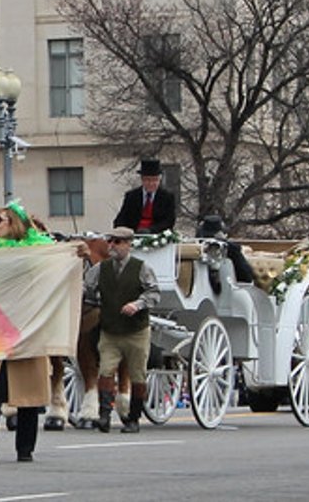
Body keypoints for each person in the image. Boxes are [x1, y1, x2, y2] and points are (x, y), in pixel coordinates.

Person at [0, 201, 56, 463]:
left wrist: (78, 252)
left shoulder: (40, 251)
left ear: (13, 224)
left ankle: (25, 448)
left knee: (28, 388)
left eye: (0, 220)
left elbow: (57, 267)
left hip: (29, 324)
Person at [85, 227, 158, 433]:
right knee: (106, 371)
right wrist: (89, 301)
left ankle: (134, 418)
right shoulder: (101, 269)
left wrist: (138, 304)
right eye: (110, 241)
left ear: (128, 244)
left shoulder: (141, 268)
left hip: (136, 331)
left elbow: (154, 292)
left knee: (137, 375)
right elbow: (88, 288)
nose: (112, 246)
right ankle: (104, 415)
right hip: (110, 330)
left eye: (117, 242)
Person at [112, 159, 176, 235]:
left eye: (155, 180)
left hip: (157, 235)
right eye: (148, 180)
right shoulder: (131, 196)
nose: (151, 183)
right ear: (142, 179)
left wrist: (150, 230)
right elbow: (121, 218)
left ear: (159, 180)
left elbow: (169, 221)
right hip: (134, 235)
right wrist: (124, 231)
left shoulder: (167, 197)